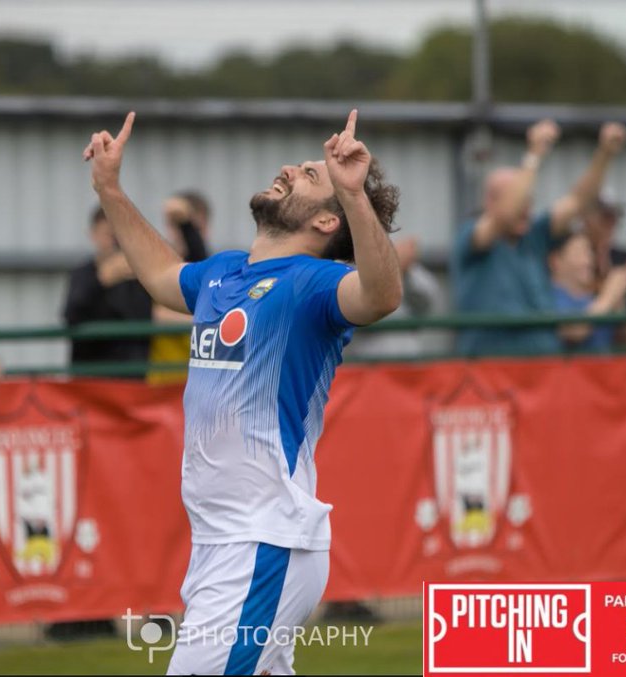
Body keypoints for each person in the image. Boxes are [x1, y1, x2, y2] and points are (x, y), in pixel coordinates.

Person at [83, 109, 402, 676]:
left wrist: (354, 194)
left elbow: (381, 296)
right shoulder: (224, 272)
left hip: (262, 541)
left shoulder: (312, 284)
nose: (289, 169)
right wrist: (110, 188)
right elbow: (160, 276)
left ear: (327, 221)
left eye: (309, 174)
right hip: (222, 541)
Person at [452, 119, 626, 356]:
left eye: (529, 201)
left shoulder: (534, 236)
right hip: (491, 371)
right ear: (490, 203)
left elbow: (579, 201)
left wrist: (605, 153)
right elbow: (505, 216)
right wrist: (533, 155)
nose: (526, 209)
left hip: (543, 371)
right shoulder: (471, 238)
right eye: (519, 200)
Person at [62, 206, 154, 370]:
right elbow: (72, 315)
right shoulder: (83, 274)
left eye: (118, 235)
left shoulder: (138, 275)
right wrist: (100, 281)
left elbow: (146, 317)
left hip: (132, 372)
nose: (114, 242)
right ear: (93, 234)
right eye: (108, 235)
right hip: (91, 370)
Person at [346, 236, 447, 359]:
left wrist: (403, 270)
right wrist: (392, 267)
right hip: (367, 359)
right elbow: (359, 309)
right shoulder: (347, 258)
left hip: (407, 359)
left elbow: (427, 302)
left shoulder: (404, 259)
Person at [149, 192, 213, 385]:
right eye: (179, 226)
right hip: (161, 386)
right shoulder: (153, 270)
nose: (186, 234)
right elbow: (149, 314)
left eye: (193, 228)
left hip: (203, 384)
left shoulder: (218, 272)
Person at [548, 232, 626, 351]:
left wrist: (620, 304)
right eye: (578, 253)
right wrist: (609, 295)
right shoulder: (545, 297)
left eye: (589, 253)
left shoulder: (596, 301)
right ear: (555, 260)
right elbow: (574, 331)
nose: (588, 261)